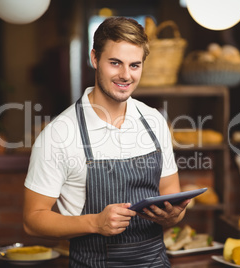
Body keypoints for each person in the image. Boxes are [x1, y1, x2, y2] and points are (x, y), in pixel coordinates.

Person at [23, 16, 189, 267]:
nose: (125, 75)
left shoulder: (155, 122)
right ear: (94, 58)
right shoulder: (59, 133)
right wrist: (94, 223)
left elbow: (172, 200)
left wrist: (172, 217)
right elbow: (32, 220)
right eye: (115, 63)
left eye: (134, 65)